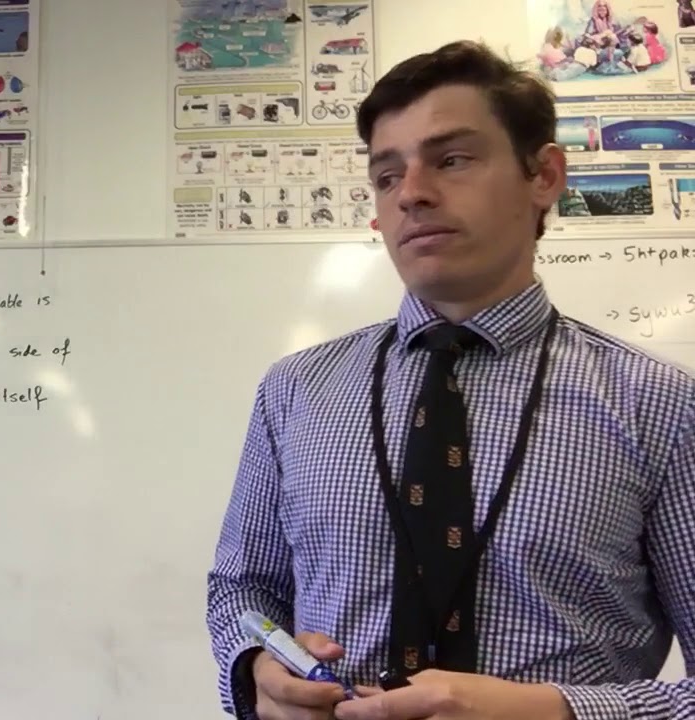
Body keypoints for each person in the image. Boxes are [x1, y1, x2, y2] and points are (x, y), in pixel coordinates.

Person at [206, 40, 694, 720]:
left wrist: (558, 712)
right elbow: (242, 588)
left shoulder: (661, 405)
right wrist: (255, 670)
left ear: (544, 176)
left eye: (452, 159)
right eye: (386, 176)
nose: (411, 193)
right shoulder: (295, 390)